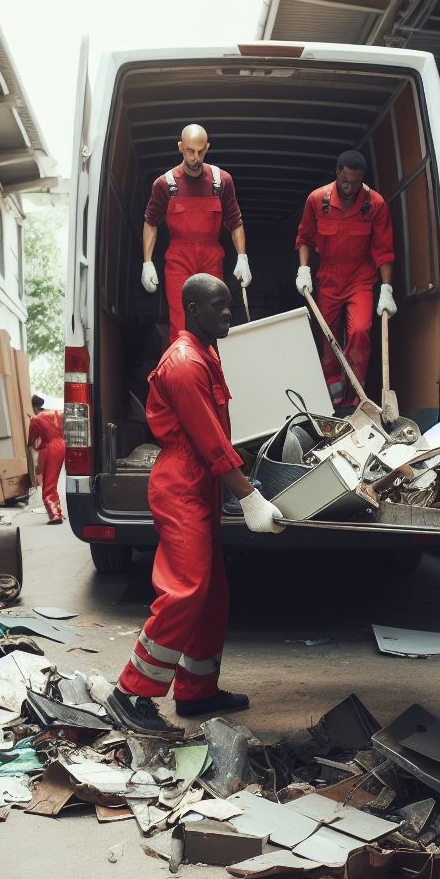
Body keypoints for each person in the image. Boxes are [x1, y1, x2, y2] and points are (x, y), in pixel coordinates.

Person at [104, 273, 284, 736]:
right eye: (220, 305)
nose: (229, 312)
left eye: (229, 304)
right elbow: (205, 439)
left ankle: (196, 690)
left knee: (211, 594)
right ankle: (131, 693)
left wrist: (245, 464)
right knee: (185, 590)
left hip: (199, 480)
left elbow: (216, 433)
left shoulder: (205, 354)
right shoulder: (184, 363)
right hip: (183, 483)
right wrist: (248, 495)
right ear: (193, 310)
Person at [295, 150, 397, 413]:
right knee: (327, 338)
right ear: (338, 173)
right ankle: (333, 399)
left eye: (356, 182)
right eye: (345, 181)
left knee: (360, 332)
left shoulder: (375, 204)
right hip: (328, 279)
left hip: (360, 280)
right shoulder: (318, 200)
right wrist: (303, 270)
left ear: (363, 179)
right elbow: (305, 238)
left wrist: (386, 289)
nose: (350, 187)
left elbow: (384, 250)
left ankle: (355, 400)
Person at [141, 124, 251, 341]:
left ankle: (212, 370)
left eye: (201, 151)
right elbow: (150, 222)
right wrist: (147, 262)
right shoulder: (165, 184)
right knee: (180, 323)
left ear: (207, 147)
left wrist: (242, 257)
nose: (196, 157)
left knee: (214, 320)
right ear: (181, 147)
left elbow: (235, 221)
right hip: (179, 260)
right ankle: (182, 371)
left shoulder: (222, 181)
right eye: (190, 151)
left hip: (211, 259)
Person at [28, 394, 64, 523]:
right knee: (53, 481)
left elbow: (31, 440)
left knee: (48, 484)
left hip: (50, 449)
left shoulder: (36, 419)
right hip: (62, 447)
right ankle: (58, 511)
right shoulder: (58, 413)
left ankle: (55, 515)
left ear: (35, 406)